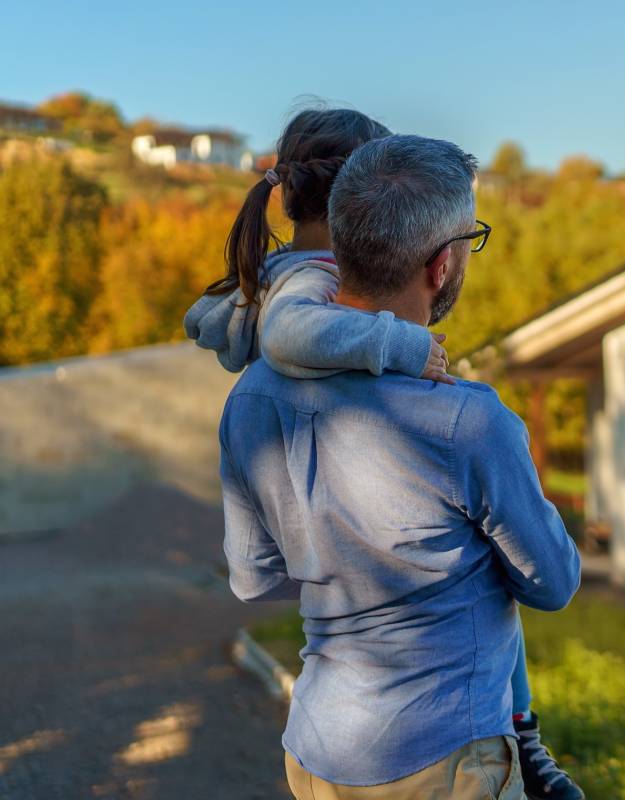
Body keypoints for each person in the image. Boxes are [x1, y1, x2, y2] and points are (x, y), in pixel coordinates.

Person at [188, 110, 585, 800]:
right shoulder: (468, 421)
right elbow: (552, 583)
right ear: (443, 265)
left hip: (314, 754)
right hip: (439, 759)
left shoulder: (249, 398)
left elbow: (253, 577)